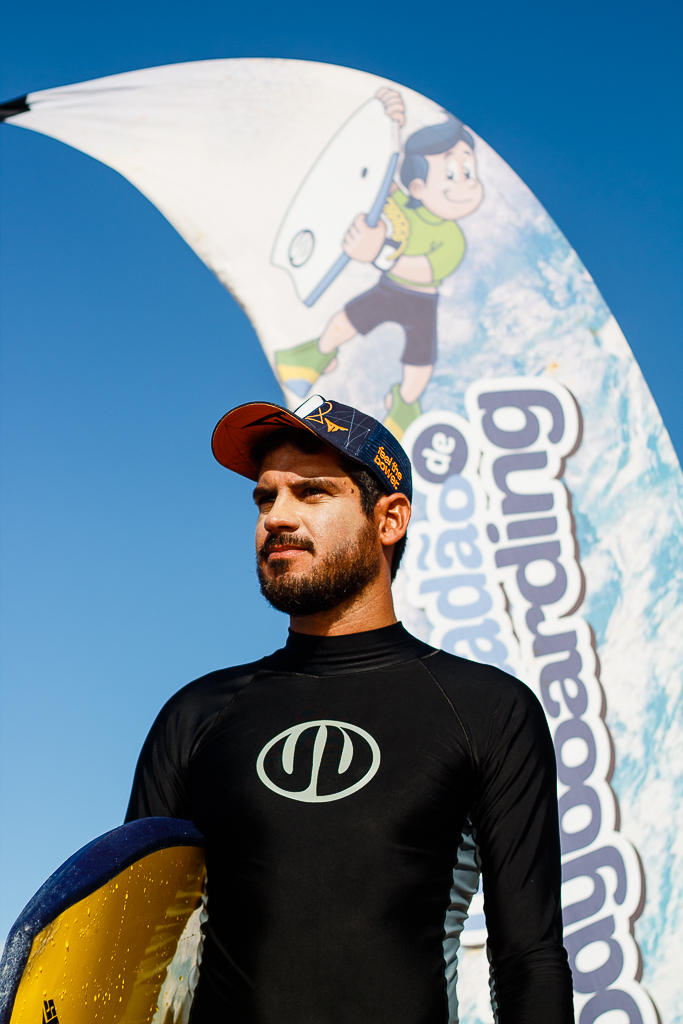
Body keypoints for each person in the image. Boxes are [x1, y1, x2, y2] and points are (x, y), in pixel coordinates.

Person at [125, 393, 574, 1024]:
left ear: (389, 520)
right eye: (264, 498)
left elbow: (529, 960)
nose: (276, 517)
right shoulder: (194, 717)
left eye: (311, 493)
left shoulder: (488, 710)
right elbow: (128, 957)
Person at [275, 89, 484, 440]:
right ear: (416, 186)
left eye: (468, 171)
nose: (467, 183)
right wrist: (390, 123)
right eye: (453, 173)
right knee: (348, 320)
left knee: (420, 359)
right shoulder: (400, 201)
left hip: (422, 300)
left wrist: (379, 254)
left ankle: (405, 406)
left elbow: (426, 270)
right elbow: (374, 177)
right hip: (388, 290)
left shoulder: (452, 237)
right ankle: (310, 359)